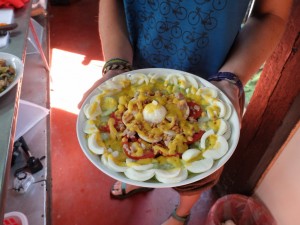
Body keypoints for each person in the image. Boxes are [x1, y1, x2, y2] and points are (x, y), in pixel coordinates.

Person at [81, 0, 292, 224]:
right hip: (134, 71)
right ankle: (140, 176)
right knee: (136, 146)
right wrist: (117, 64)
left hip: (215, 86)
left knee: (196, 175)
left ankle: (181, 214)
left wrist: (230, 80)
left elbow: (271, 14)